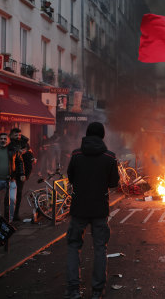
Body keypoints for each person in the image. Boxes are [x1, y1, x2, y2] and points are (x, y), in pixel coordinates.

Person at [65, 122, 119, 299]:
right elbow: (113, 183)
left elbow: (70, 177)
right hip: (99, 209)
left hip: (79, 208)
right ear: (102, 136)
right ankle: (97, 291)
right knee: (100, 248)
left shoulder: (76, 154)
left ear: (87, 135)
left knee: (73, 246)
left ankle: (73, 290)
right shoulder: (109, 157)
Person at [8, 128, 35, 221]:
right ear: (11, 135)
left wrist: (31, 157)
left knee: (18, 193)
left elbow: (30, 154)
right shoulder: (9, 144)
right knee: (10, 196)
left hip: (22, 173)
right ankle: (9, 214)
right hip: (11, 172)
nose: (18, 137)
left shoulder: (24, 144)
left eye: (19, 135)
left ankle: (15, 214)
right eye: (16, 135)